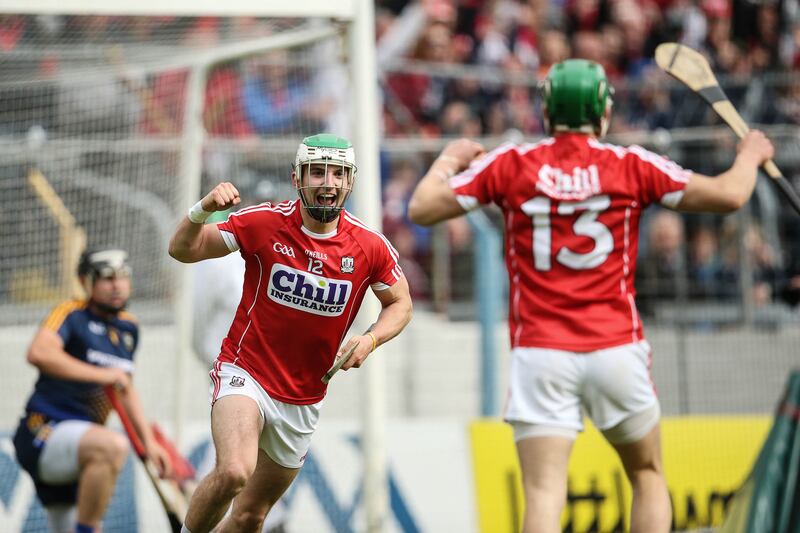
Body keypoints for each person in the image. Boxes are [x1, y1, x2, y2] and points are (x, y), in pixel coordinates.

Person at [407, 59, 775, 533]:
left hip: (541, 352)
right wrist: (748, 154)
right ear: (603, 111)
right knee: (646, 475)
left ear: (545, 110)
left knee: (542, 492)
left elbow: (422, 206)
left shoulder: (511, 164)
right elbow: (729, 195)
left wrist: (450, 158)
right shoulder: (631, 164)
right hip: (616, 347)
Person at [169, 133, 413, 533]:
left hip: (302, 398)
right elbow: (184, 250)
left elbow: (401, 304)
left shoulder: (370, 247)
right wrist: (202, 210)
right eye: (317, 172)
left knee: (252, 516)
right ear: (297, 177)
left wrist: (370, 339)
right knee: (233, 470)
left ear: (350, 181)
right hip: (245, 371)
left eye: (337, 174)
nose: (327, 183)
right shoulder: (263, 223)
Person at [13, 248, 172, 533]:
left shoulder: (129, 328)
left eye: (123, 277)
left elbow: (124, 386)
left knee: (69, 527)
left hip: (81, 444)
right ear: (87, 282)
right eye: (107, 278)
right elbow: (38, 352)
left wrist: (149, 442)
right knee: (111, 446)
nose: (117, 285)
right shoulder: (72, 314)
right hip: (44, 430)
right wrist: (105, 374)